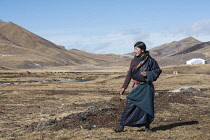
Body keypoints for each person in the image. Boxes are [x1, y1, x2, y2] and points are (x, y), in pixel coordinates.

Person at [114, 41, 162, 133]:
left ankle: (147, 127)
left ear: (143, 50)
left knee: (146, 107)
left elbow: (157, 71)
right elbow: (129, 74)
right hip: (135, 87)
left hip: (146, 88)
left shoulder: (150, 60)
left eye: (137, 49)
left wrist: (148, 73)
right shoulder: (134, 61)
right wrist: (124, 87)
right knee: (129, 105)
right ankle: (121, 126)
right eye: (134, 48)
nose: (134, 51)